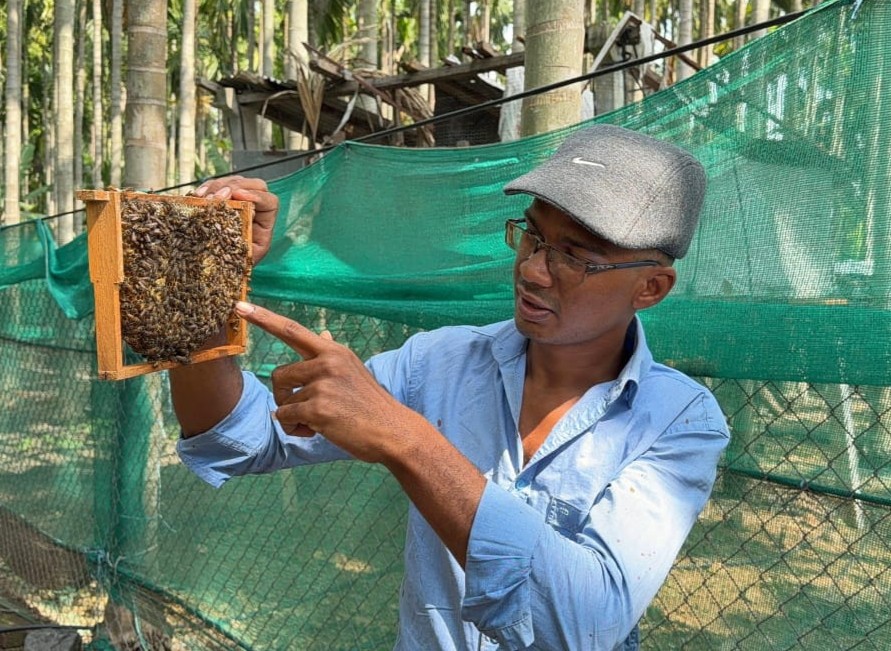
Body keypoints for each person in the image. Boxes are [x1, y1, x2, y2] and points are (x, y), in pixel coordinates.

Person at [171, 124, 730, 651]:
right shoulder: (437, 362)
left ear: (651, 287)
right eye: (532, 237)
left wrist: (407, 441)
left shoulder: (679, 420)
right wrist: (207, 283)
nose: (533, 271)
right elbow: (240, 439)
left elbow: (582, 624)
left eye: (575, 258)